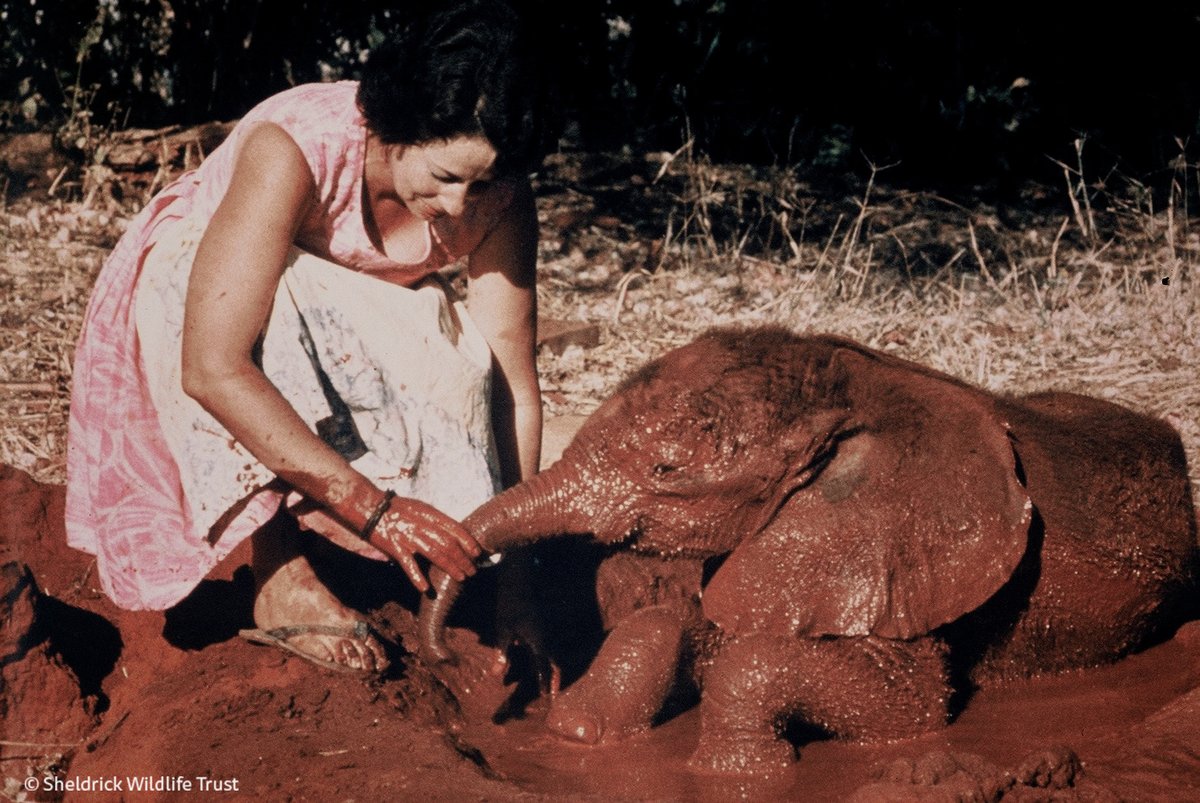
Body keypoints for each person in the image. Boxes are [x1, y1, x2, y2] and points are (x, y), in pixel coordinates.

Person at [65, 0, 550, 675]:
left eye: (485, 183)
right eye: (444, 178)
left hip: (338, 324)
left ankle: (351, 532)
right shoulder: (297, 146)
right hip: (207, 316)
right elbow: (210, 365)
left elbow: (512, 389)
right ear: (401, 126)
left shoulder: (499, 198)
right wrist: (376, 510)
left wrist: (519, 580)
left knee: (461, 363)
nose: (460, 207)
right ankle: (276, 569)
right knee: (193, 274)